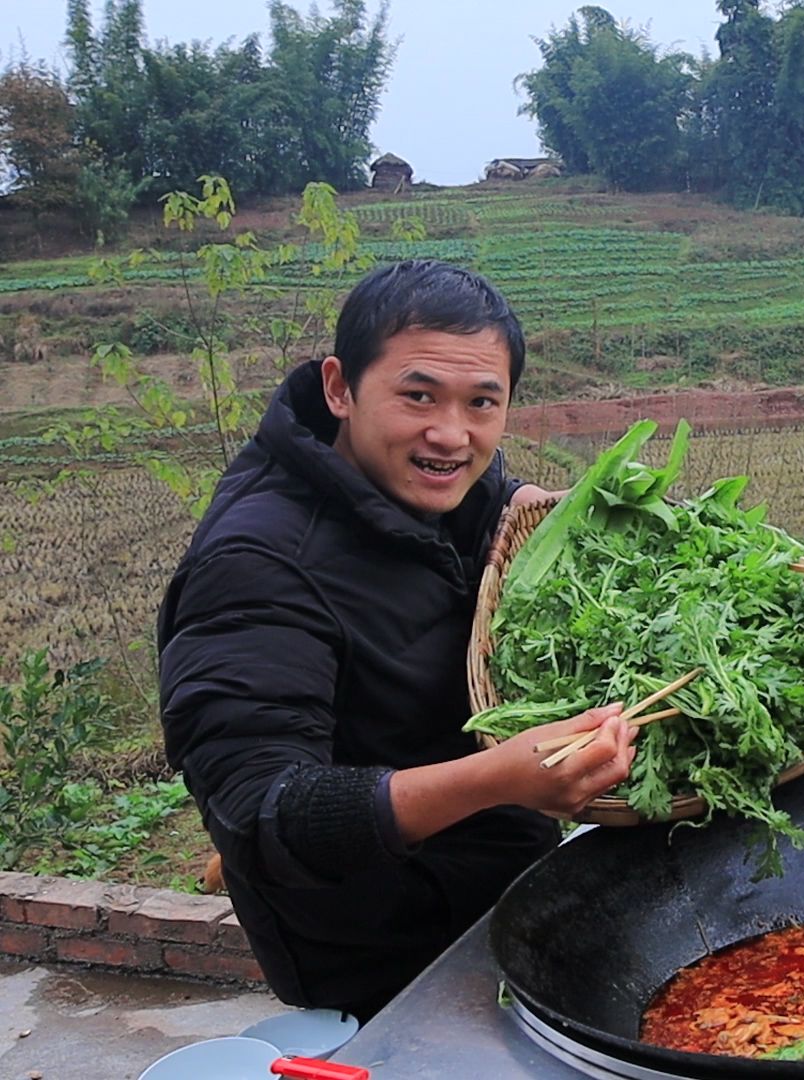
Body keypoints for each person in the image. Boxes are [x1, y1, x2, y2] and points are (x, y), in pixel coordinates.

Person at [157, 259, 637, 1020]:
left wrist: (529, 509)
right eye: (418, 396)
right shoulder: (257, 565)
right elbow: (260, 813)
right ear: (340, 388)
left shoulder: (427, 478)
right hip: (382, 960)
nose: (451, 434)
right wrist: (498, 779)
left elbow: (482, 504)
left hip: (496, 899)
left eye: (483, 402)